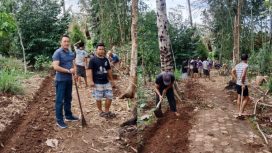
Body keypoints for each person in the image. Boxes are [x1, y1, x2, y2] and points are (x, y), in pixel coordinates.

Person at [52, 35, 79, 129]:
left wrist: (75, 72)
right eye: (64, 41)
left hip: (69, 80)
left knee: (68, 98)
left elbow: (73, 63)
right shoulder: (57, 53)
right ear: (61, 42)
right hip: (60, 80)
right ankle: (59, 120)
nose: (66, 43)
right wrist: (68, 71)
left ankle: (68, 116)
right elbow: (55, 67)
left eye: (68, 41)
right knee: (60, 101)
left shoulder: (70, 52)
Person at [88, 43, 116, 118]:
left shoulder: (106, 59)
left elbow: (109, 70)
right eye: (99, 49)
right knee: (98, 98)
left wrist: (112, 80)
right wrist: (90, 81)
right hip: (97, 82)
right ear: (96, 50)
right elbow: (89, 70)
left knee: (109, 96)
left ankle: (107, 111)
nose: (101, 51)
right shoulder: (92, 60)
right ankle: (100, 111)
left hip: (106, 82)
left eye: (102, 49)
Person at [231, 54, 249, 119]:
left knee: (239, 97)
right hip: (243, 84)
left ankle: (239, 112)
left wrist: (236, 79)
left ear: (241, 59)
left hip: (238, 84)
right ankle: (241, 112)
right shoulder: (246, 65)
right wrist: (243, 83)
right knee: (246, 98)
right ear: (247, 59)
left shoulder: (238, 65)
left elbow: (232, 71)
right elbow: (243, 75)